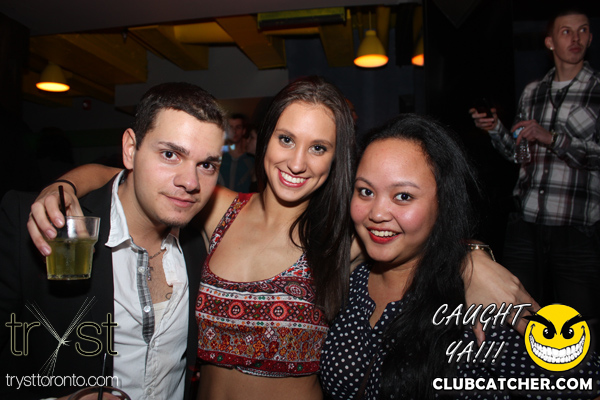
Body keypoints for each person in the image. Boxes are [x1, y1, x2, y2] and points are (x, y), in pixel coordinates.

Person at [27, 78, 531, 400]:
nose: (297, 162)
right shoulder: (218, 209)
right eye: (286, 139)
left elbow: (415, 233)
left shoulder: (341, 236)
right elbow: (126, 176)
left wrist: (471, 260)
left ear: (336, 159)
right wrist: (63, 186)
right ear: (265, 138)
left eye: (318, 148)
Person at [321, 113, 600, 400]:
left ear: (443, 203)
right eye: (365, 191)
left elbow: (585, 383)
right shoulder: (349, 279)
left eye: (403, 196)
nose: (377, 213)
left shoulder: (477, 301)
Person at [0, 82, 226, 399]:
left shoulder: (205, 240)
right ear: (130, 149)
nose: (191, 182)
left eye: (206, 165)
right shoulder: (41, 224)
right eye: (170, 154)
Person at [470, 8, 600, 349]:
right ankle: (526, 376)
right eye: (566, 31)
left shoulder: (597, 89)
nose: (576, 38)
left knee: (579, 322)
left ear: (590, 37)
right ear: (550, 42)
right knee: (516, 312)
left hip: (575, 226)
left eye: (583, 30)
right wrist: (496, 130)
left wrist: (552, 138)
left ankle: (579, 376)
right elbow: (518, 154)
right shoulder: (533, 92)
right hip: (526, 222)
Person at [218, 113, 255, 192]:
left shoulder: (251, 159)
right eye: (230, 127)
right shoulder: (219, 156)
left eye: (238, 127)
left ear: (243, 131)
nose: (234, 131)